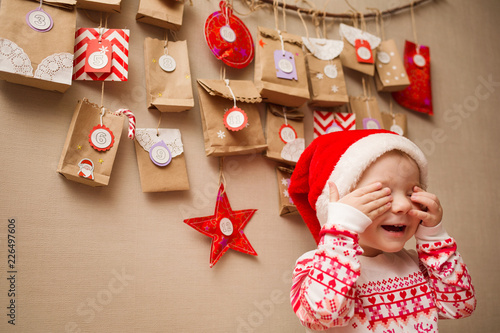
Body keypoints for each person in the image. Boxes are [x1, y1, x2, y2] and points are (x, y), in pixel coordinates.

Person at [288, 129, 476, 332]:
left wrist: (434, 237)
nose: (403, 205)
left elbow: (460, 307)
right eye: (380, 193)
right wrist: (341, 230)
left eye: (412, 192)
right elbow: (326, 314)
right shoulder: (316, 266)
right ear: (338, 208)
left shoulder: (417, 266)